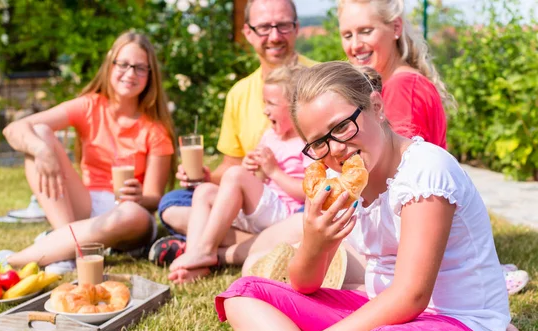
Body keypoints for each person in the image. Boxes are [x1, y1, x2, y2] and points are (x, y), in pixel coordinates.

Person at [216, 61, 511, 331]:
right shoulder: (337, 183)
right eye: (319, 142)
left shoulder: (425, 171)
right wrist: (314, 242)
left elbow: (411, 296)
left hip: (458, 325)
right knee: (243, 294)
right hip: (382, 316)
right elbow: (304, 284)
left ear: (376, 107)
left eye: (341, 126)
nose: (336, 150)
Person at [226, 0, 529, 296]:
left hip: (411, 243)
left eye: (366, 31)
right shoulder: (388, 83)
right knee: (265, 261)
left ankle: (218, 254)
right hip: (384, 234)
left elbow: (400, 184)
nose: (355, 44)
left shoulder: (402, 90)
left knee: (262, 262)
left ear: (395, 27)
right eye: (347, 35)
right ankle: (218, 252)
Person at [0, 31, 175, 278]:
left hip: (129, 217)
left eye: (140, 68)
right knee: (40, 134)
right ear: (110, 65)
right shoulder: (89, 106)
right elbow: (15, 129)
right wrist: (41, 150)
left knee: (130, 213)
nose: (130, 74)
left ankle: (8, 261)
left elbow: (155, 197)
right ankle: (67, 251)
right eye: (124, 64)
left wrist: (141, 197)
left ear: (150, 76)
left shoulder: (155, 129)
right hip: (86, 205)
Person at [148, 0, 316, 266]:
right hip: (261, 198)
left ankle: (214, 250)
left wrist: (267, 173)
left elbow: (321, 179)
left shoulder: (319, 80)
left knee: (315, 214)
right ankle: (238, 245)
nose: (274, 36)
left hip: (295, 206)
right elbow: (232, 168)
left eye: (283, 25)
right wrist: (205, 177)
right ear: (248, 33)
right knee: (174, 202)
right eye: (264, 27)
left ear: (296, 28)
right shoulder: (240, 93)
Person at [168, 66, 307, 283]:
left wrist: (273, 171)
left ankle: (206, 251)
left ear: (296, 106)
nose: (265, 110)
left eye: (271, 103)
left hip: (284, 213)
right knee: (204, 191)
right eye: (264, 102)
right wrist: (254, 168)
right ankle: (197, 256)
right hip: (263, 208)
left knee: (234, 175)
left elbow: (306, 192)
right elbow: (260, 180)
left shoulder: (307, 142)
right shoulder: (271, 135)